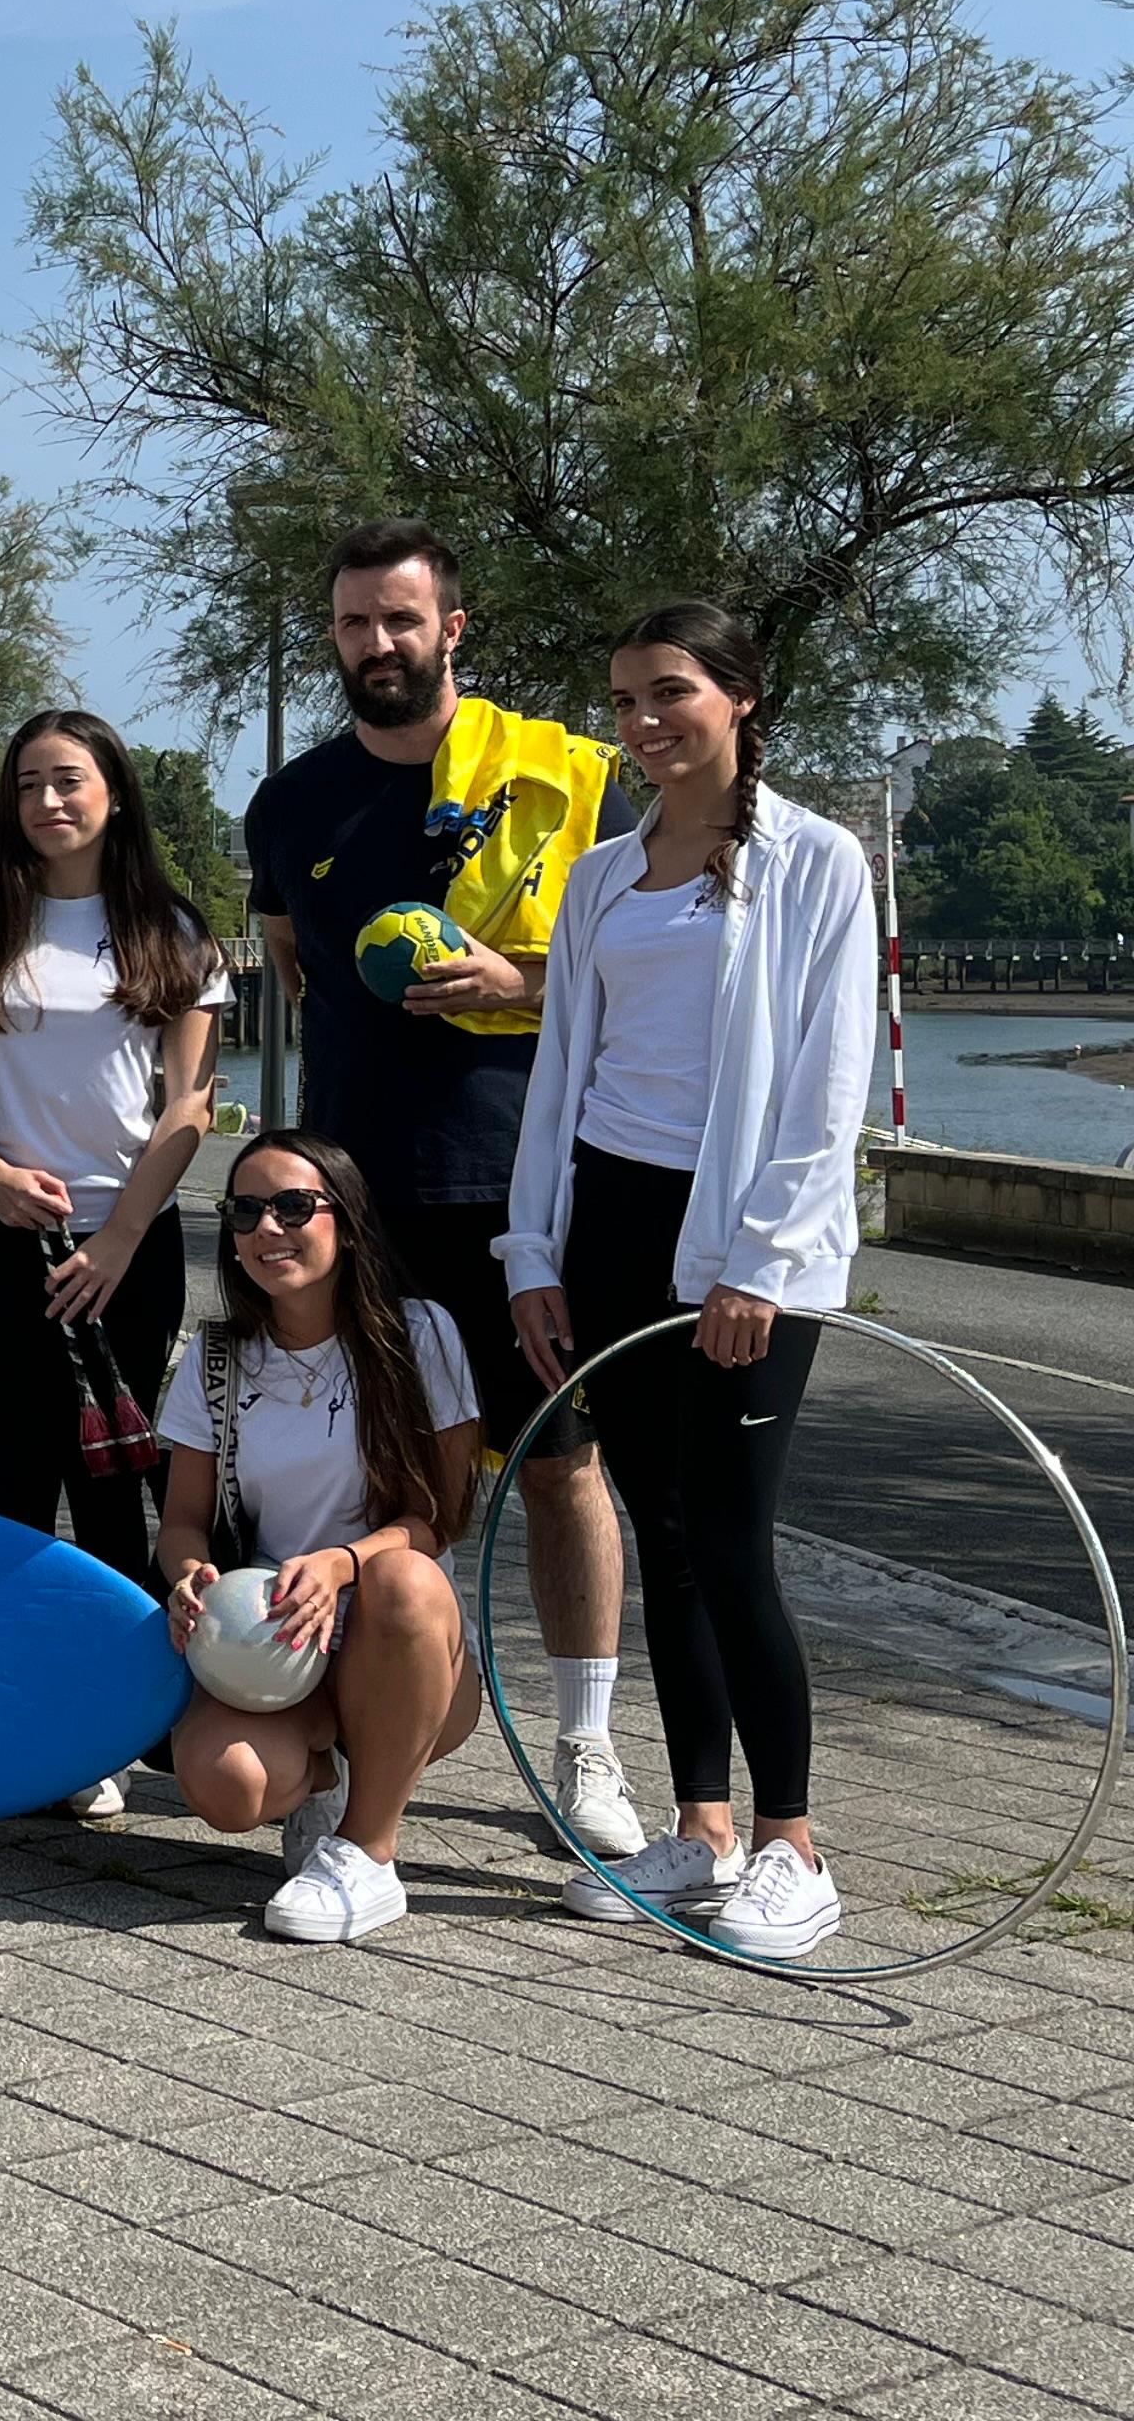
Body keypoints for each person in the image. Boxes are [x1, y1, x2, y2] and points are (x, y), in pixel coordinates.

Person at [243, 518, 644, 1859]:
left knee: (559, 1467)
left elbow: (637, 971)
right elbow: (297, 976)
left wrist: (517, 983)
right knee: (356, 1491)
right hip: (355, 1201)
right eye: (356, 624)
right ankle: (341, 1762)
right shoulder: (291, 802)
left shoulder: (565, 779)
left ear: (453, 628)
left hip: (521, 1186)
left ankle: (586, 1748)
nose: (378, 645)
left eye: (402, 621)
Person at [503, 606, 875, 1959]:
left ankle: (793, 1842)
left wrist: (761, 1261)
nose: (645, 721)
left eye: (672, 693)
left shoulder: (816, 861)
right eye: (624, 700)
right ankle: (701, 1828)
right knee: (658, 1532)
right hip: (611, 1220)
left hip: (739, 1242)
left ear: (740, 699)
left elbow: (829, 1084)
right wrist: (535, 1253)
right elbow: (562, 1079)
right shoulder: (603, 875)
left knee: (732, 1539)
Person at [160, 1131, 484, 1945]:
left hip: (400, 1640)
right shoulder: (217, 1358)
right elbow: (182, 1522)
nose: (268, 1229)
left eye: (293, 1206)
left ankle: (369, 1851)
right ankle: (328, 1785)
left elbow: (441, 1518)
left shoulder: (421, 1335)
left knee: (404, 1578)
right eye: (245, 1211)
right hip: (274, 1646)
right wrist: (190, 1575)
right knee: (225, 1788)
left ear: (346, 1219)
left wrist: (344, 1563)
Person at [0, 712, 226, 1575]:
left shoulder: (175, 928)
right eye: (27, 785)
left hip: (126, 1251)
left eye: (67, 781)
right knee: (14, 1488)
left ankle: (131, 1703)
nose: (46, 800)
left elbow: (191, 1105)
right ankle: (17, 1693)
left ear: (117, 796)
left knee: (113, 1491)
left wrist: (119, 1240)